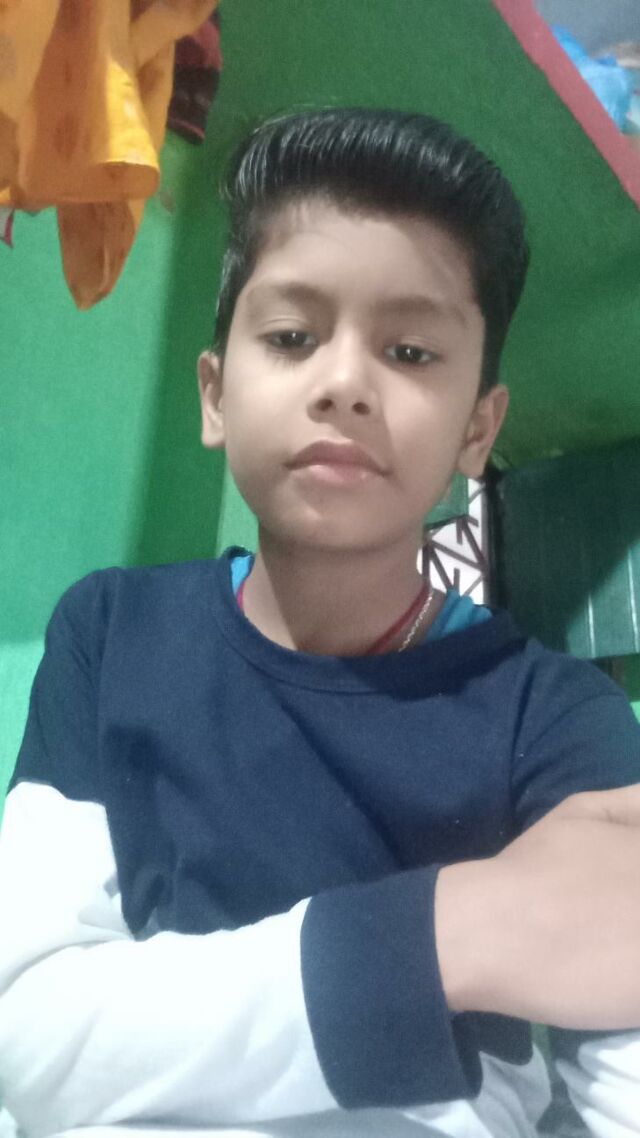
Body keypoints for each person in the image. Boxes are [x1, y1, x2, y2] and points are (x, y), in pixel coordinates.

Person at [1, 107, 640, 1138]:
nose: (344, 384)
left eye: (411, 350)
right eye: (292, 337)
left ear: (478, 429)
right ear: (216, 395)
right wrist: (452, 932)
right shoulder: (111, 636)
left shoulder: (557, 717)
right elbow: (28, 1038)